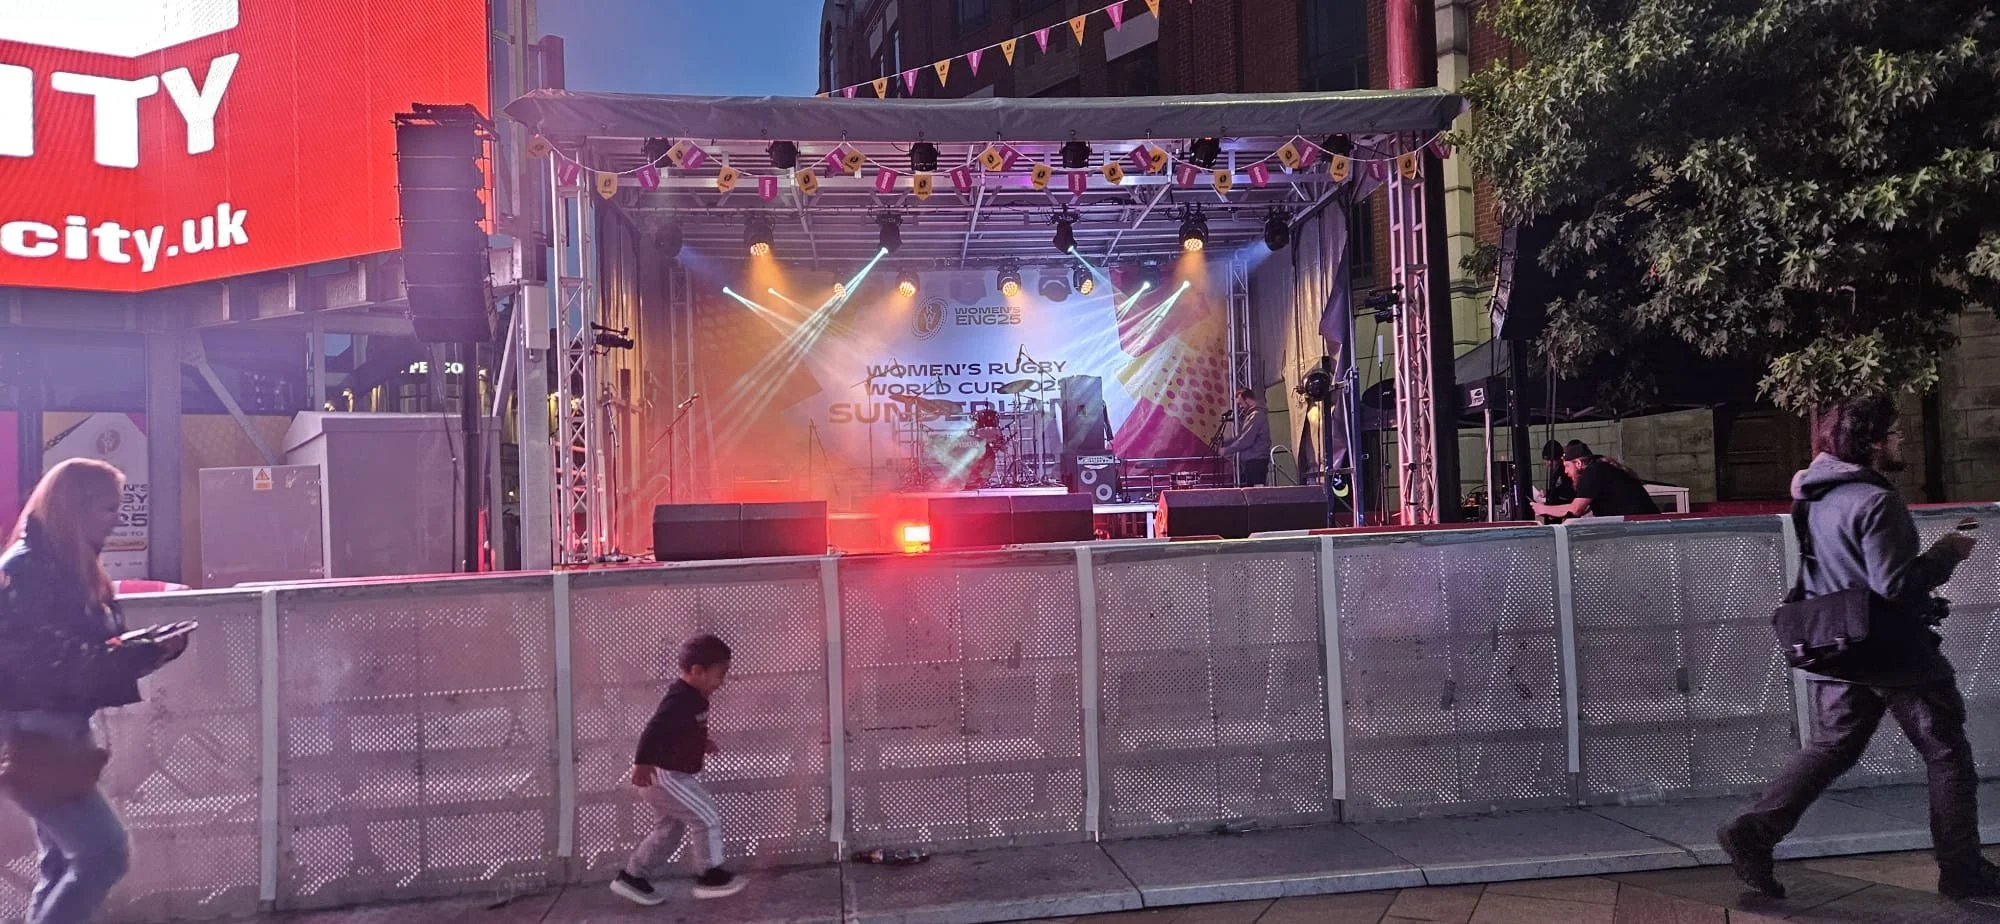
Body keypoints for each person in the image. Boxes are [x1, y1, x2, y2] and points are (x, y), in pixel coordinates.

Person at [1718, 397, 2000, 900]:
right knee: (1947, 755)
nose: (1901, 440)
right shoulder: (1875, 500)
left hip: (1835, 645)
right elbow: (1894, 585)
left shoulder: (1812, 494)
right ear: (1871, 442)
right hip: (1895, 653)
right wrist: (1948, 551)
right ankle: (1962, 870)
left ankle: (1753, 832)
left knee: (1831, 747)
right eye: (1894, 433)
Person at [0, 459, 188, 924]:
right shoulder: (33, 571)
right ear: (74, 508)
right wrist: (147, 653)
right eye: (108, 508)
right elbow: (58, 664)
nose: (116, 519)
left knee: (62, 862)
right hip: (39, 730)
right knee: (105, 853)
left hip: (48, 727)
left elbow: (69, 654)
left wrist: (144, 648)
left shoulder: (45, 565)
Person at [611, 634, 746, 906]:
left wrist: (701, 742)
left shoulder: (695, 697)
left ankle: (633, 877)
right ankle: (710, 875)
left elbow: (682, 729)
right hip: (664, 776)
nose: (722, 682)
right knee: (706, 816)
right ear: (697, 671)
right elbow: (654, 729)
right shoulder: (680, 698)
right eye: (719, 675)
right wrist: (642, 762)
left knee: (668, 832)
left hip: (667, 775)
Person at [1530, 441, 1659, 519]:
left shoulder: (1593, 472)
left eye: (1567, 466)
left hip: (1643, 528)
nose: (1566, 471)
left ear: (1578, 463)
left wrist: (1543, 509)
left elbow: (1576, 509)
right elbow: (1585, 508)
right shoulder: (1599, 467)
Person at [1215, 389, 1272, 487]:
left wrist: (1226, 450)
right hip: (1253, 460)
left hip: (1257, 461)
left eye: (1240, 403)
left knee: (1256, 491)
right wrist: (1225, 443)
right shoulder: (1253, 415)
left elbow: (1246, 440)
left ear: (1248, 399)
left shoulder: (1256, 415)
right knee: (1252, 491)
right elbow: (1242, 436)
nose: (1240, 407)